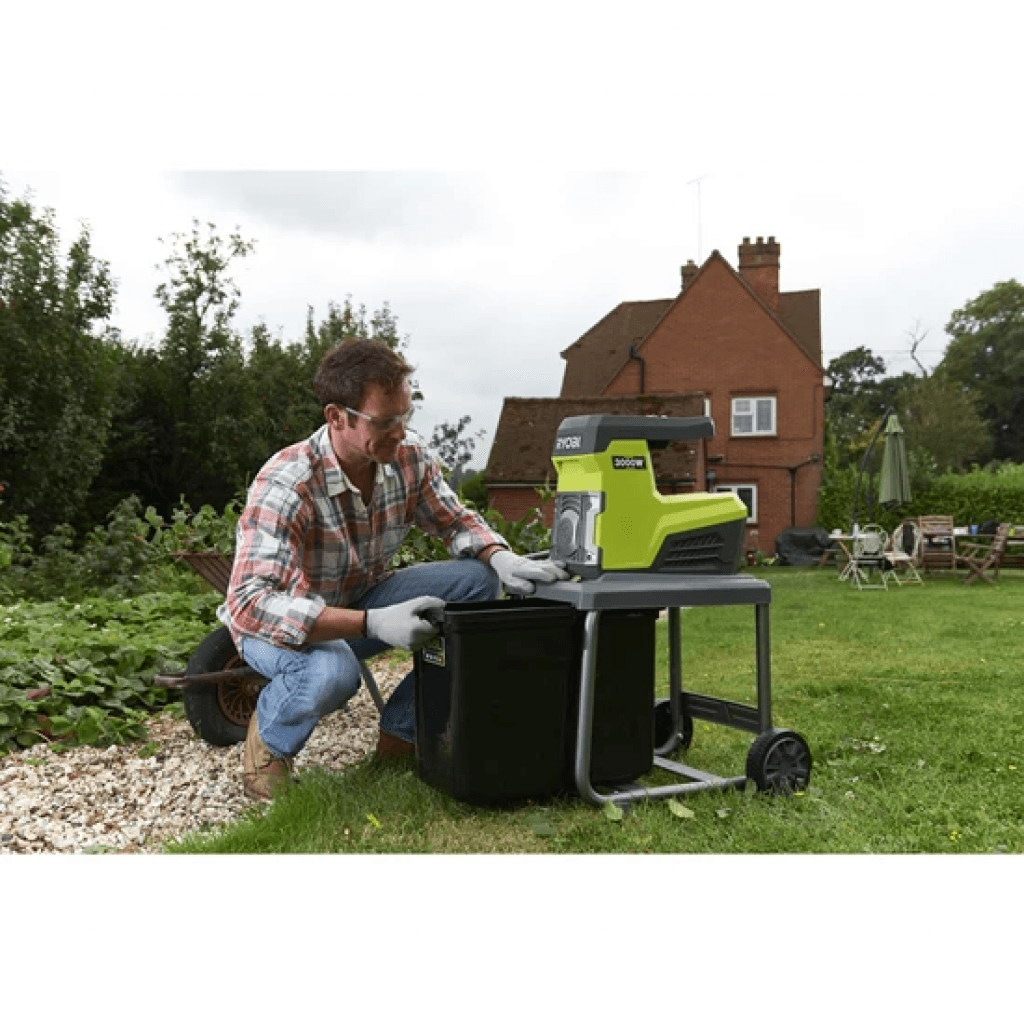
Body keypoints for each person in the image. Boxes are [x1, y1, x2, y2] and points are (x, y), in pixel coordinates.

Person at [217, 338, 568, 801]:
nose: (401, 432)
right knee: (332, 672)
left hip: (362, 598)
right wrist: (373, 623)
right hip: (280, 627)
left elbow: (453, 520)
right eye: (385, 422)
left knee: (477, 582)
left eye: (405, 415)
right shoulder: (289, 482)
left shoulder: (408, 458)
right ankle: (269, 748)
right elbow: (251, 603)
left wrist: (499, 556)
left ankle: (402, 735)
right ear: (336, 417)